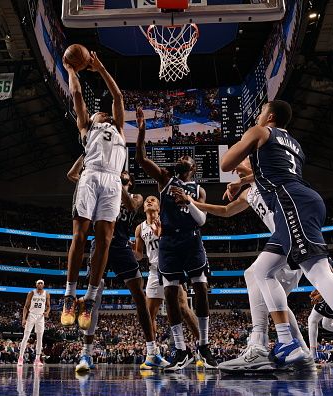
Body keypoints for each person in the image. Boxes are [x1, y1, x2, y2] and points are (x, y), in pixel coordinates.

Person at [220, 99, 333, 376]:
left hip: (292, 204)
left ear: (270, 116)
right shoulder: (294, 144)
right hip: (299, 201)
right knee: (260, 271)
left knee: (318, 271)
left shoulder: (259, 131)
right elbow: (273, 171)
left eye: (260, 112)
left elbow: (225, 161)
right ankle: (287, 341)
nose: (257, 116)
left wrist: (245, 142)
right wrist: (243, 181)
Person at [180, 161, 312, 372]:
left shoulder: (269, 175)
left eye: (240, 160)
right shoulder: (248, 193)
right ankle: (304, 356)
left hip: (291, 238)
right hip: (284, 244)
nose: (234, 165)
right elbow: (225, 210)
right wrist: (192, 203)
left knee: (253, 273)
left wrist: (237, 182)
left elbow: (263, 173)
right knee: (275, 303)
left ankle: (259, 344)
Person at [135, 106, 217, 371]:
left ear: (193, 167)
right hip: (169, 243)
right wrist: (142, 131)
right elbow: (141, 160)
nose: (183, 157)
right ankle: (180, 350)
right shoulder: (165, 179)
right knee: (170, 294)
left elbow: (202, 220)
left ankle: (203, 344)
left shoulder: (199, 190)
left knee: (201, 289)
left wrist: (189, 201)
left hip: (192, 240)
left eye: (187, 157)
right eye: (180, 156)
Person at [67, 160, 169, 372]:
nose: (120, 177)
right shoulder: (101, 190)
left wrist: (115, 183)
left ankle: (152, 352)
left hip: (122, 247)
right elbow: (72, 175)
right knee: (93, 300)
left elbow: (132, 206)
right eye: (118, 176)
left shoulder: (135, 197)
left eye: (124, 178)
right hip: (99, 245)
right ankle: (86, 355)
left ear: (129, 183)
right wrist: (84, 155)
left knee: (140, 297)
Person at [62, 51, 127, 331]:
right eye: (100, 111)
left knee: (104, 241)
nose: (104, 112)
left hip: (113, 182)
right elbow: (77, 97)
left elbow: (118, 98)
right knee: (80, 234)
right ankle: (69, 294)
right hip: (90, 177)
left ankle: (88, 299)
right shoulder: (88, 127)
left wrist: (100, 68)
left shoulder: (120, 127)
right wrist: (71, 71)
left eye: (105, 111)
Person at [134, 195, 202, 366]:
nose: (149, 201)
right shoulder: (139, 229)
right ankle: (153, 353)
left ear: (159, 206)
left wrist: (162, 234)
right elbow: (139, 255)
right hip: (153, 271)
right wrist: (127, 248)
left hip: (172, 266)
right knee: (149, 315)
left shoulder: (168, 220)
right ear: (143, 209)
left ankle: (203, 348)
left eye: (153, 200)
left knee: (183, 308)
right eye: (147, 201)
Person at [18, 280, 50, 366]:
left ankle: (37, 359)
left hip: (40, 316)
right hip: (31, 315)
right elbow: (25, 306)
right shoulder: (31, 293)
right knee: (26, 336)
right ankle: (20, 358)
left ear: (43, 285)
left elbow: (48, 306)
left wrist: (47, 312)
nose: (40, 284)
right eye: (38, 283)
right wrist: (23, 318)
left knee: (40, 338)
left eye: (41, 283)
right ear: (36, 284)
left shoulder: (46, 293)